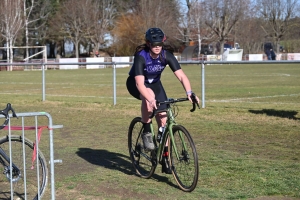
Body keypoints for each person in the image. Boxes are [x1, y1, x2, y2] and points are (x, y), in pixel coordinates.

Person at [126, 27, 200, 173]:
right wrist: (150, 100)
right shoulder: (141, 56)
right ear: (148, 44)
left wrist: (189, 92)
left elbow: (182, 76)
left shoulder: (166, 55)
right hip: (137, 84)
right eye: (154, 44)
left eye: (160, 44)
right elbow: (140, 84)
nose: (157, 47)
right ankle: (147, 131)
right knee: (149, 98)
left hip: (155, 84)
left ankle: (166, 157)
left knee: (163, 120)